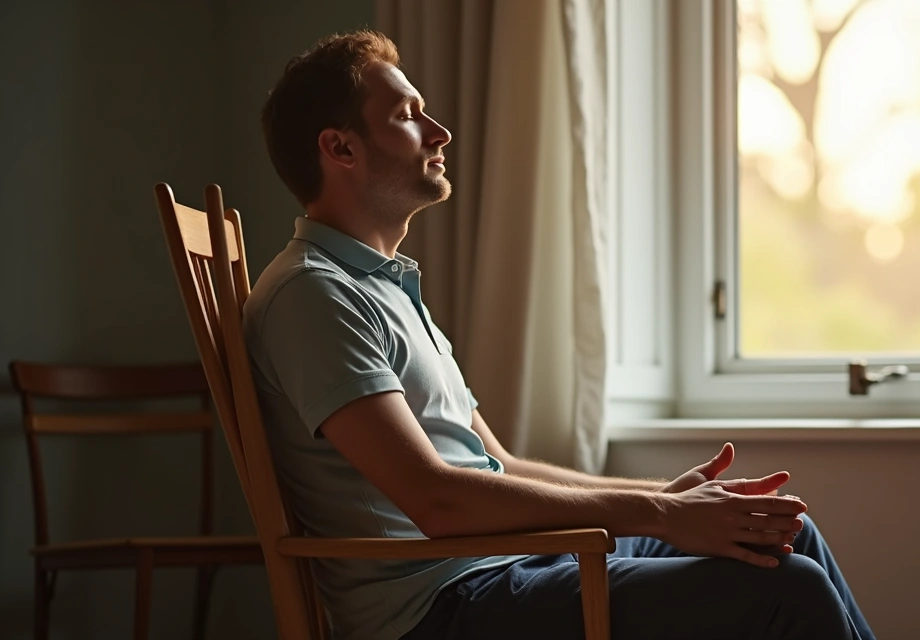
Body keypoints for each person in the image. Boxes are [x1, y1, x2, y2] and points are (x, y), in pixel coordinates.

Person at [246, 30, 876, 640]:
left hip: (509, 564)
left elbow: (500, 464)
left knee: (778, 534)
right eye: (409, 115)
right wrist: (662, 515)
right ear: (341, 148)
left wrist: (670, 497)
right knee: (786, 588)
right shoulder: (314, 294)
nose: (440, 133)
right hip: (446, 605)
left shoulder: (384, 290)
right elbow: (436, 500)